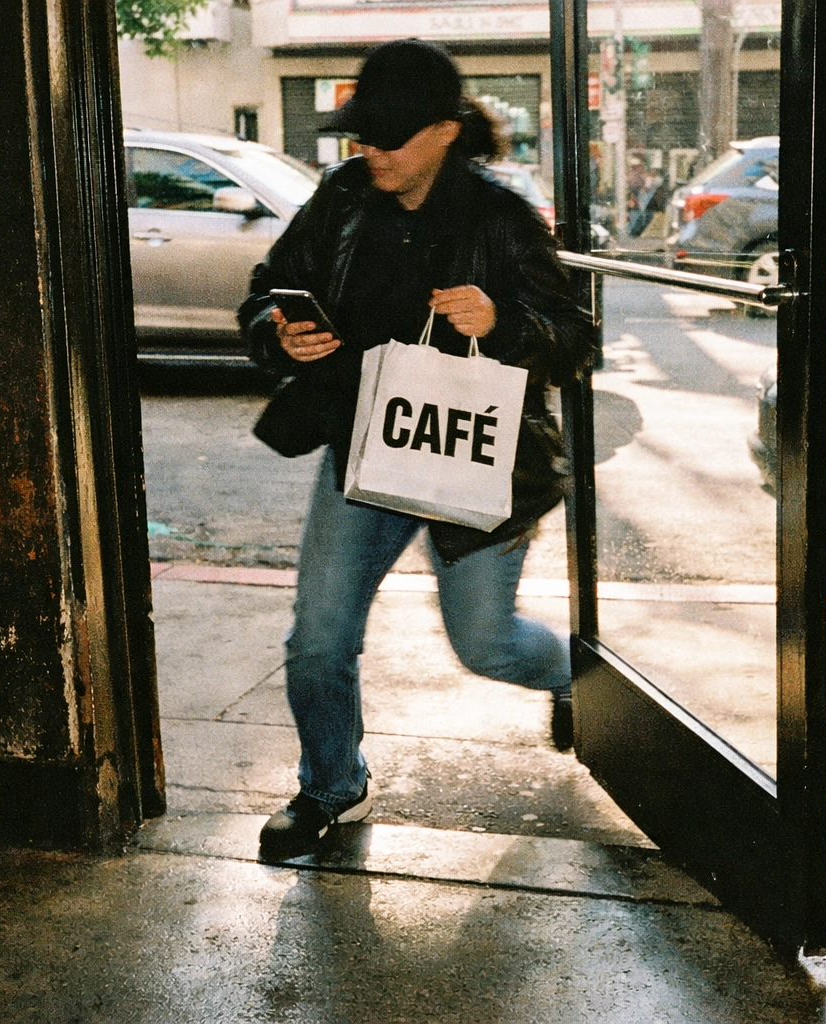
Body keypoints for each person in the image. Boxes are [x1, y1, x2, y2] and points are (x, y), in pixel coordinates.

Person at [238, 38, 595, 857]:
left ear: (443, 131)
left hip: (478, 460)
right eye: (361, 136)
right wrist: (279, 333)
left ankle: (578, 678)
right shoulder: (343, 199)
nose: (369, 151)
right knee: (319, 637)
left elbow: (575, 338)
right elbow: (268, 290)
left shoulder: (501, 219)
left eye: (388, 138)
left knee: (487, 645)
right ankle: (333, 786)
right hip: (365, 453)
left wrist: (502, 322)